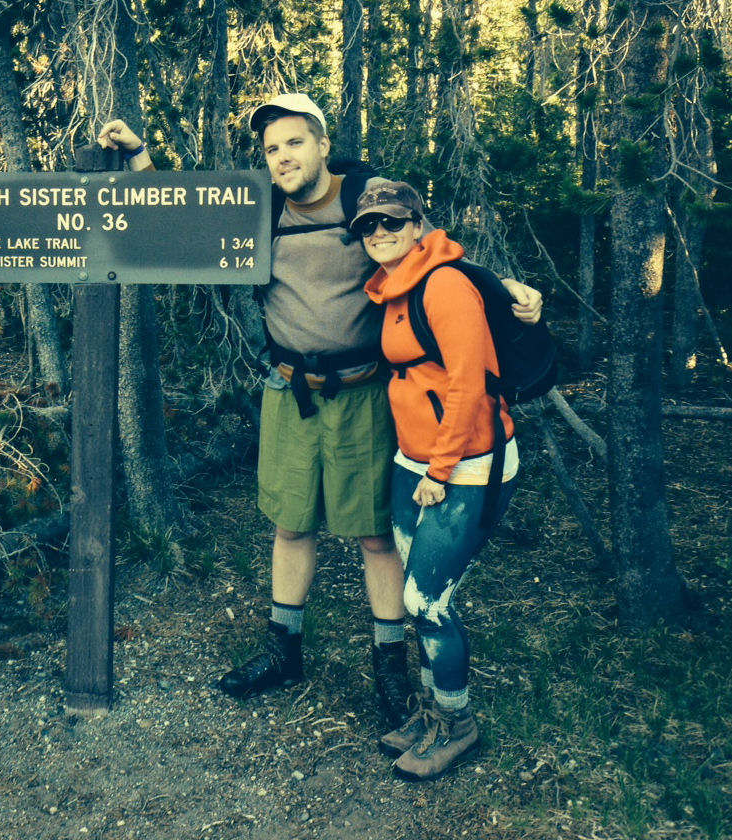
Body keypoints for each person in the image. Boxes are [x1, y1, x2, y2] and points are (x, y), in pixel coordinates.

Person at [97, 95, 541, 728]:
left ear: (322, 144)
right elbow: (182, 223)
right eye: (272, 148)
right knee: (289, 523)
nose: (283, 157)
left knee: (372, 533)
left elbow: (431, 249)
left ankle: (388, 665)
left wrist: (503, 287)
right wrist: (141, 157)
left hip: (364, 390)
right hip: (288, 389)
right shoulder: (259, 207)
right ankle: (285, 651)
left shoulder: (363, 197)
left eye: (295, 143)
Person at [355, 180, 518, 780]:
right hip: (412, 460)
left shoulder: (444, 284)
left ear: (418, 224)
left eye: (391, 224)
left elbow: (469, 386)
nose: (379, 234)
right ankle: (428, 714)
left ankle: (457, 723)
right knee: (412, 598)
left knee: (428, 601)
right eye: (368, 226)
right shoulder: (393, 287)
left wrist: (441, 470)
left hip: (465, 463)